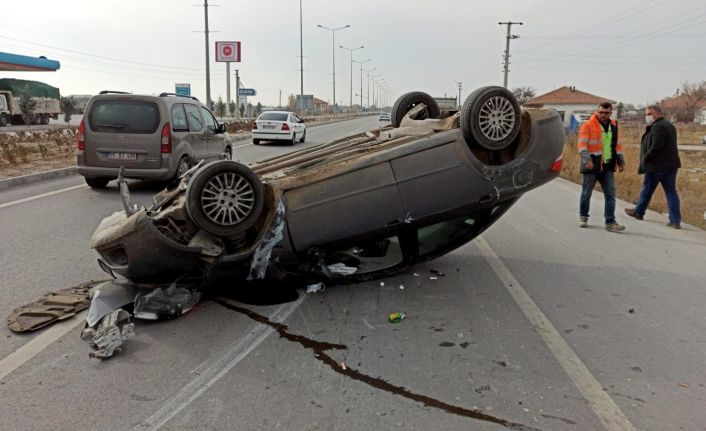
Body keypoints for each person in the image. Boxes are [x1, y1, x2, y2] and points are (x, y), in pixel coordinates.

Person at [624, 104, 681, 228]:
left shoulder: (658, 126)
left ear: (658, 113)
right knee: (671, 191)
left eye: (650, 114)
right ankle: (675, 220)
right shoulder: (669, 125)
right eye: (646, 114)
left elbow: (656, 146)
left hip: (657, 165)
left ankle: (639, 212)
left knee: (647, 189)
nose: (648, 116)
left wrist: (646, 158)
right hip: (671, 165)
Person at [577, 102, 626, 232]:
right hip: (592, 165)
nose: (603, 115)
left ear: (611, 113)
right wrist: (587, 160)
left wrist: (621, 162)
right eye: (601, 112)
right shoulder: (588, 125)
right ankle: (583, 217)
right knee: (586, 193)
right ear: (597, 111)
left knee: (610, 194)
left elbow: (618, 145)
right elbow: (582, 145)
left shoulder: (614, 126)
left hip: (607, 166)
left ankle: (610, 222)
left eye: (606, 112)